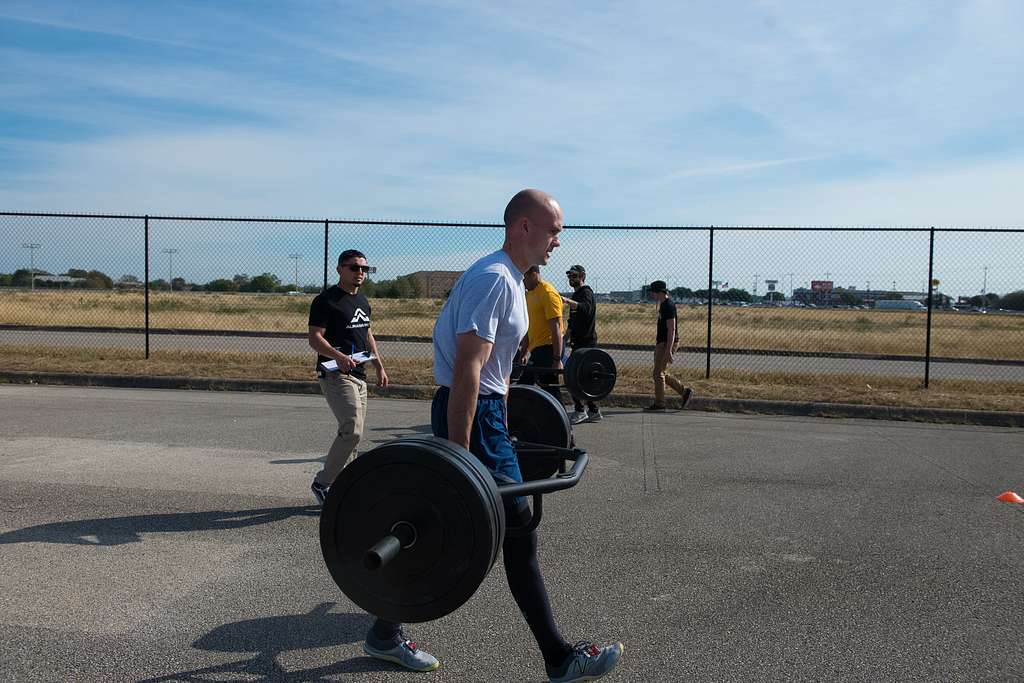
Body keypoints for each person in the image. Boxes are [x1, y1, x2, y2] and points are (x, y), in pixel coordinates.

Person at [431, 188, 623, 682]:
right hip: (474, 415)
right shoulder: (495, 279)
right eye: (554, 229)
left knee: (457, 527)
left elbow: (493, 367)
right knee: (508, 531)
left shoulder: (514, 280)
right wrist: (458, 456)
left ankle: (385, 626)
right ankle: (559, 658)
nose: (558, 240)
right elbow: (469, 370)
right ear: (523, 227)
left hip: (490, 411)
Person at [309, 251, 436, 672]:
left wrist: (378, 362)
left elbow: (368, 336)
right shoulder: (327, 300)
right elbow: (315, 338)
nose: (360, 274)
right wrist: (338, 357)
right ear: (340, 270)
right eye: (354, 268)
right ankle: (326, 481)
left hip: (360, 372)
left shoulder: (364, 303)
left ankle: (344, 484)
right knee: (354, 430)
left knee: (357, 436)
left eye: (365, 269)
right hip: (335, 372)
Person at [516, 265, 565, 405]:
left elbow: (556, 328)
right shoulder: (529, 294)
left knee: (547, 387)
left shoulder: (548, 293)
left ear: (533, 274)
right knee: (526, 386)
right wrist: (524, 352)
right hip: (537, 349)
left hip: (549, 349)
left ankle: (560, 424)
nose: (522, 281)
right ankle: (524, 420)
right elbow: (529, 327)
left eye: (523, 276)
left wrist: (557, 359)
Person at [561, 264, 601, 424]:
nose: (571, 279)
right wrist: (565, 337)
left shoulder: (586, 292)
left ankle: (580, 410)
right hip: (577, 342)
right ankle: (593, 410)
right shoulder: (576, 294)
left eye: (574, 276)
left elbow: (587, 309)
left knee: (573, 377)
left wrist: (567, 301)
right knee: (580, 377)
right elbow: (573, 320)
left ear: (582, 276)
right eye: (570, 276)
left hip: (587, 342)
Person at [645, 280, 693, 411]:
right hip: (662, 343)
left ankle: (660, 404)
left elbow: (672, 329)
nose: (651, 295)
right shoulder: (663, 304)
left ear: (660, 292)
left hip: (667, 343)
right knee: (660, 372)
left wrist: (668, 350)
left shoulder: (669, 306)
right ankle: (685, 392)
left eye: (653, 292)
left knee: (658, 373)